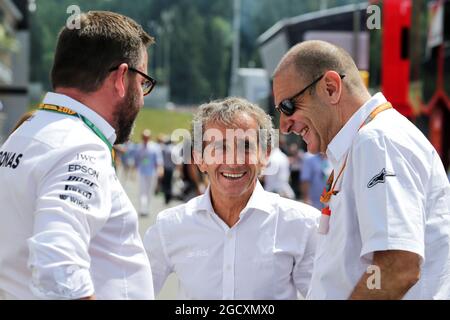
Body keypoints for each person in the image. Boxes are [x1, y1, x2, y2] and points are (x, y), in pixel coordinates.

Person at [273, 40, 450, 299]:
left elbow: (398, 266)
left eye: (287, 107)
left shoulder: (377, 141)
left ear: (331, 88)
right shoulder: (367, 142)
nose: (284, 125)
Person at [0, 11, 156, 299]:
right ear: (122, 77)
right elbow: (57, 269)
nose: (142, 96)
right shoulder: (81, 145)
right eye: (143, 81)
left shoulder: (24, 135)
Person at [144, 97, 320, 299]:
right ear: (199, 159)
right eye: (219, 148)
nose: (233, 160)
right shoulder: (171, 225)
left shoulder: (302, 224)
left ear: (265, 155)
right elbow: (131, 291)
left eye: (246, 146)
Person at [135, 129, 164, 216]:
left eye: (147, 137)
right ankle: (142, 208)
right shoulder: (139, 147)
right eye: (144, 137)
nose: (145, 139)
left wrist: (160, 169)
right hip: (142, 172)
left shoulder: (155, 147)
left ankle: (147, 207)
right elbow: (136, 160)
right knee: (142, 191)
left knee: (149, 191)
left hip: (151, 172)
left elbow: (159, 160)